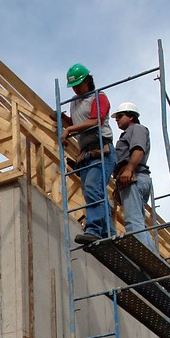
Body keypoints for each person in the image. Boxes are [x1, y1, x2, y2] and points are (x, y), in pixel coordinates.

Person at [60, 63, 114, 245]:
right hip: (86, 154)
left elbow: (95, 121)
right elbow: (75, 125)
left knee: (92, 187)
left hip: (102, 150)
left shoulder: (99, 97)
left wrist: (70, 129)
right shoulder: (74, 102)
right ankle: (109, 233)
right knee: (94, 191)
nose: (76, 89)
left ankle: (94, 230)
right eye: (73, 86)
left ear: (88, 81)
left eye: (78, 84)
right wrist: (63, 120)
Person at [112, 102, 155, 247]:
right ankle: (151, 254)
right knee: (138, 221)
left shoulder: (137, 129)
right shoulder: (131, 131)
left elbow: (138, 149)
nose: (116, 119)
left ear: (131, 116)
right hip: (135, 178)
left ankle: (144, 255)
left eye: (119, 116)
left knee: (133, 221)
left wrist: (129, 169)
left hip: (134, 178)